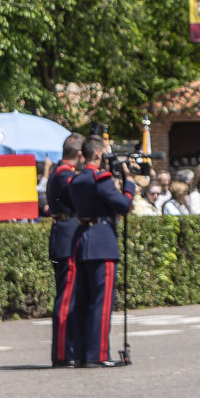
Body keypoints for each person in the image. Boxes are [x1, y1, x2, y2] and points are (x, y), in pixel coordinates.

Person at [66, 135, 135, 367]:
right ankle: (99, 354)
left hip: (83, 239)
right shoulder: (101, 178)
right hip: (102, 242)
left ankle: (83, 353)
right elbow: (124, 205)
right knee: (101, 302)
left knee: (84, 301)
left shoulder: (76, 180)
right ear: (97, 153)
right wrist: (130, 185)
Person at [44, 134, 83, 367]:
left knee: (73, 298)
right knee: (66, 300)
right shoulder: (63, 173)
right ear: (79, 154)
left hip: (68, 236)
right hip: (67, 238)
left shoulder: (60, 172)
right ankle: (61, 353)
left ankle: (70, 348)